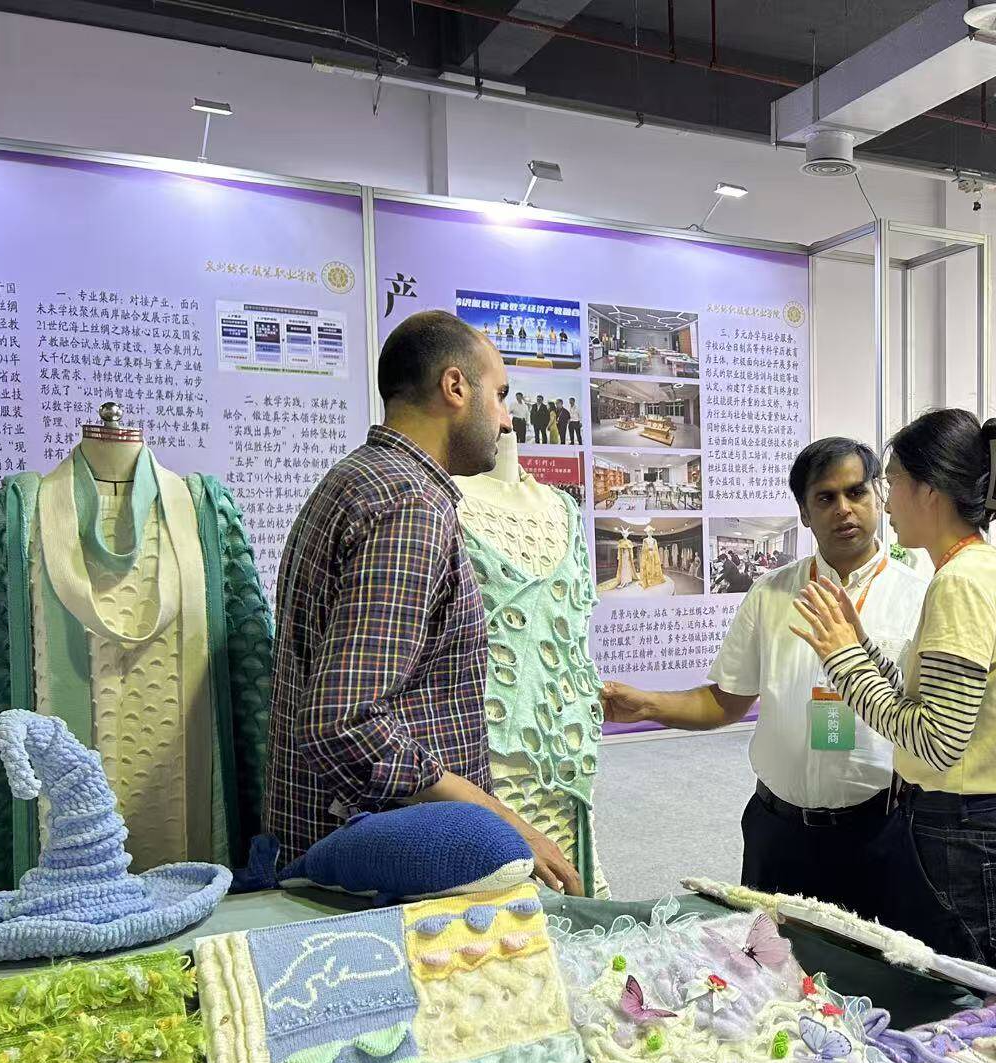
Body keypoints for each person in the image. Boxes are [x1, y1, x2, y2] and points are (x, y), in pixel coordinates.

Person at [264, 309, 583, 895]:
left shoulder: (359, 478)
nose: (507, 420)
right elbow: (345, 722)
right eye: (500, 395)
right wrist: (499, 820)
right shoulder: (410, 506)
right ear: (455, 387)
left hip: (352, 844)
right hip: (385, 865)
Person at [603, 439, 926, 915]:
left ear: (877, 497)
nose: (844, 509)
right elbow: (726, 701)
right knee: (770, 957)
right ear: (804, 513)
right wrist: (648, 705)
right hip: (779, 833)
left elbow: (931, 723)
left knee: (870, 961)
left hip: (878, 834)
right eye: (825, 497)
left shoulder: (918, 598)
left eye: (856, 492)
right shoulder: (771, 593)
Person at [789, 410, 996, 984]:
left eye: (892, 482)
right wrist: (859, 646)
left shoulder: (961, 584)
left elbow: (934, 741)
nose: (885, 502)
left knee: (959, 1019)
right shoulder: (981, 569)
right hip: (975, 833)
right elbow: (931, 702)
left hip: (965, 842)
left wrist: (842, 660)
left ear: (929, 491)